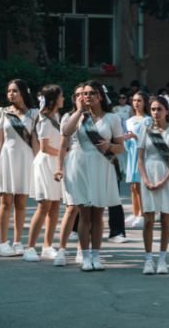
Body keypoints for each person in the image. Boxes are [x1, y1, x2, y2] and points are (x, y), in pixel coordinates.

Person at [60, 81, 125, 271]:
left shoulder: (112, 118)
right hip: (80, 164)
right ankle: (85, 256)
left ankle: (96, 255)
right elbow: (66, 132)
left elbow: (120, 147)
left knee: (98, 213)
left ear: (100, 97)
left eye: (92, 93)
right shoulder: (77, 116)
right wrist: (79, 111)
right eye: (85, 93)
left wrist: (109, 146)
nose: (87, 96)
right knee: (84, 213)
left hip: (101, 165)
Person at [0, 79, 39, 257]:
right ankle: (3, 242)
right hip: (7, 158)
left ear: (23, 92)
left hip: (26, 159)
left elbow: (35, 139)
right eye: (9, 91)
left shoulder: (34, 113)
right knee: (5, 201)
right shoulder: (3, 112)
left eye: (15, 91)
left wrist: (38, 162)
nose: (11, 94)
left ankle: (18, 241)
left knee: (21, 203)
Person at [139, 96, 169, 275]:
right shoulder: (146, 129)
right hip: (149, 173)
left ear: (166, 111)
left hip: (167, 176)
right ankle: (148, 259)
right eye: (153, 109)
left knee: (165, 219)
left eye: (159, 109)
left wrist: (165, 180)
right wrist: (146, 180)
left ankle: (162, 259)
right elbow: (140, 158)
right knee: (148, 219)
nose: (156, 113)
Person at [23, 85, 65, 262]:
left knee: (55, 205)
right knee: (44, 205)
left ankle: (47, 246)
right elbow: (45, 147)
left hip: (55, 163)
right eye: (61, 96)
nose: (64, 98)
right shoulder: (44, 119)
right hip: (45, 163)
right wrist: (64, 153)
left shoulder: (57, 116)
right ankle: (29, 247)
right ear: (54, 98)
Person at [53, 84, 85, 267]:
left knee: (88, 210)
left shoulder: (97, 117)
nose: (82, 97)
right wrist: (59, 167)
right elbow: (63, 144)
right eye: (78, 95)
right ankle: (62, 249)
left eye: (86, 94)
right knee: (72, 207)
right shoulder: (68, 116)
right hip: (72, 163)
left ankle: (83, 248)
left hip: (91, 165)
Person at [124, 92, 151, 230]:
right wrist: (126, 139)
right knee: (133, 186)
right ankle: (135, 213)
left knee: (141, 186)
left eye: (139, 100)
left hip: (143, 155)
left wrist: (136, 137)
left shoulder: (148, 120)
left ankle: (143, 213)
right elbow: (126, 143)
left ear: (145, 102)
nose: (136, 103)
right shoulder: (128, 120)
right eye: (134, 100)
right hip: (132, 155)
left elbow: (150, 140)